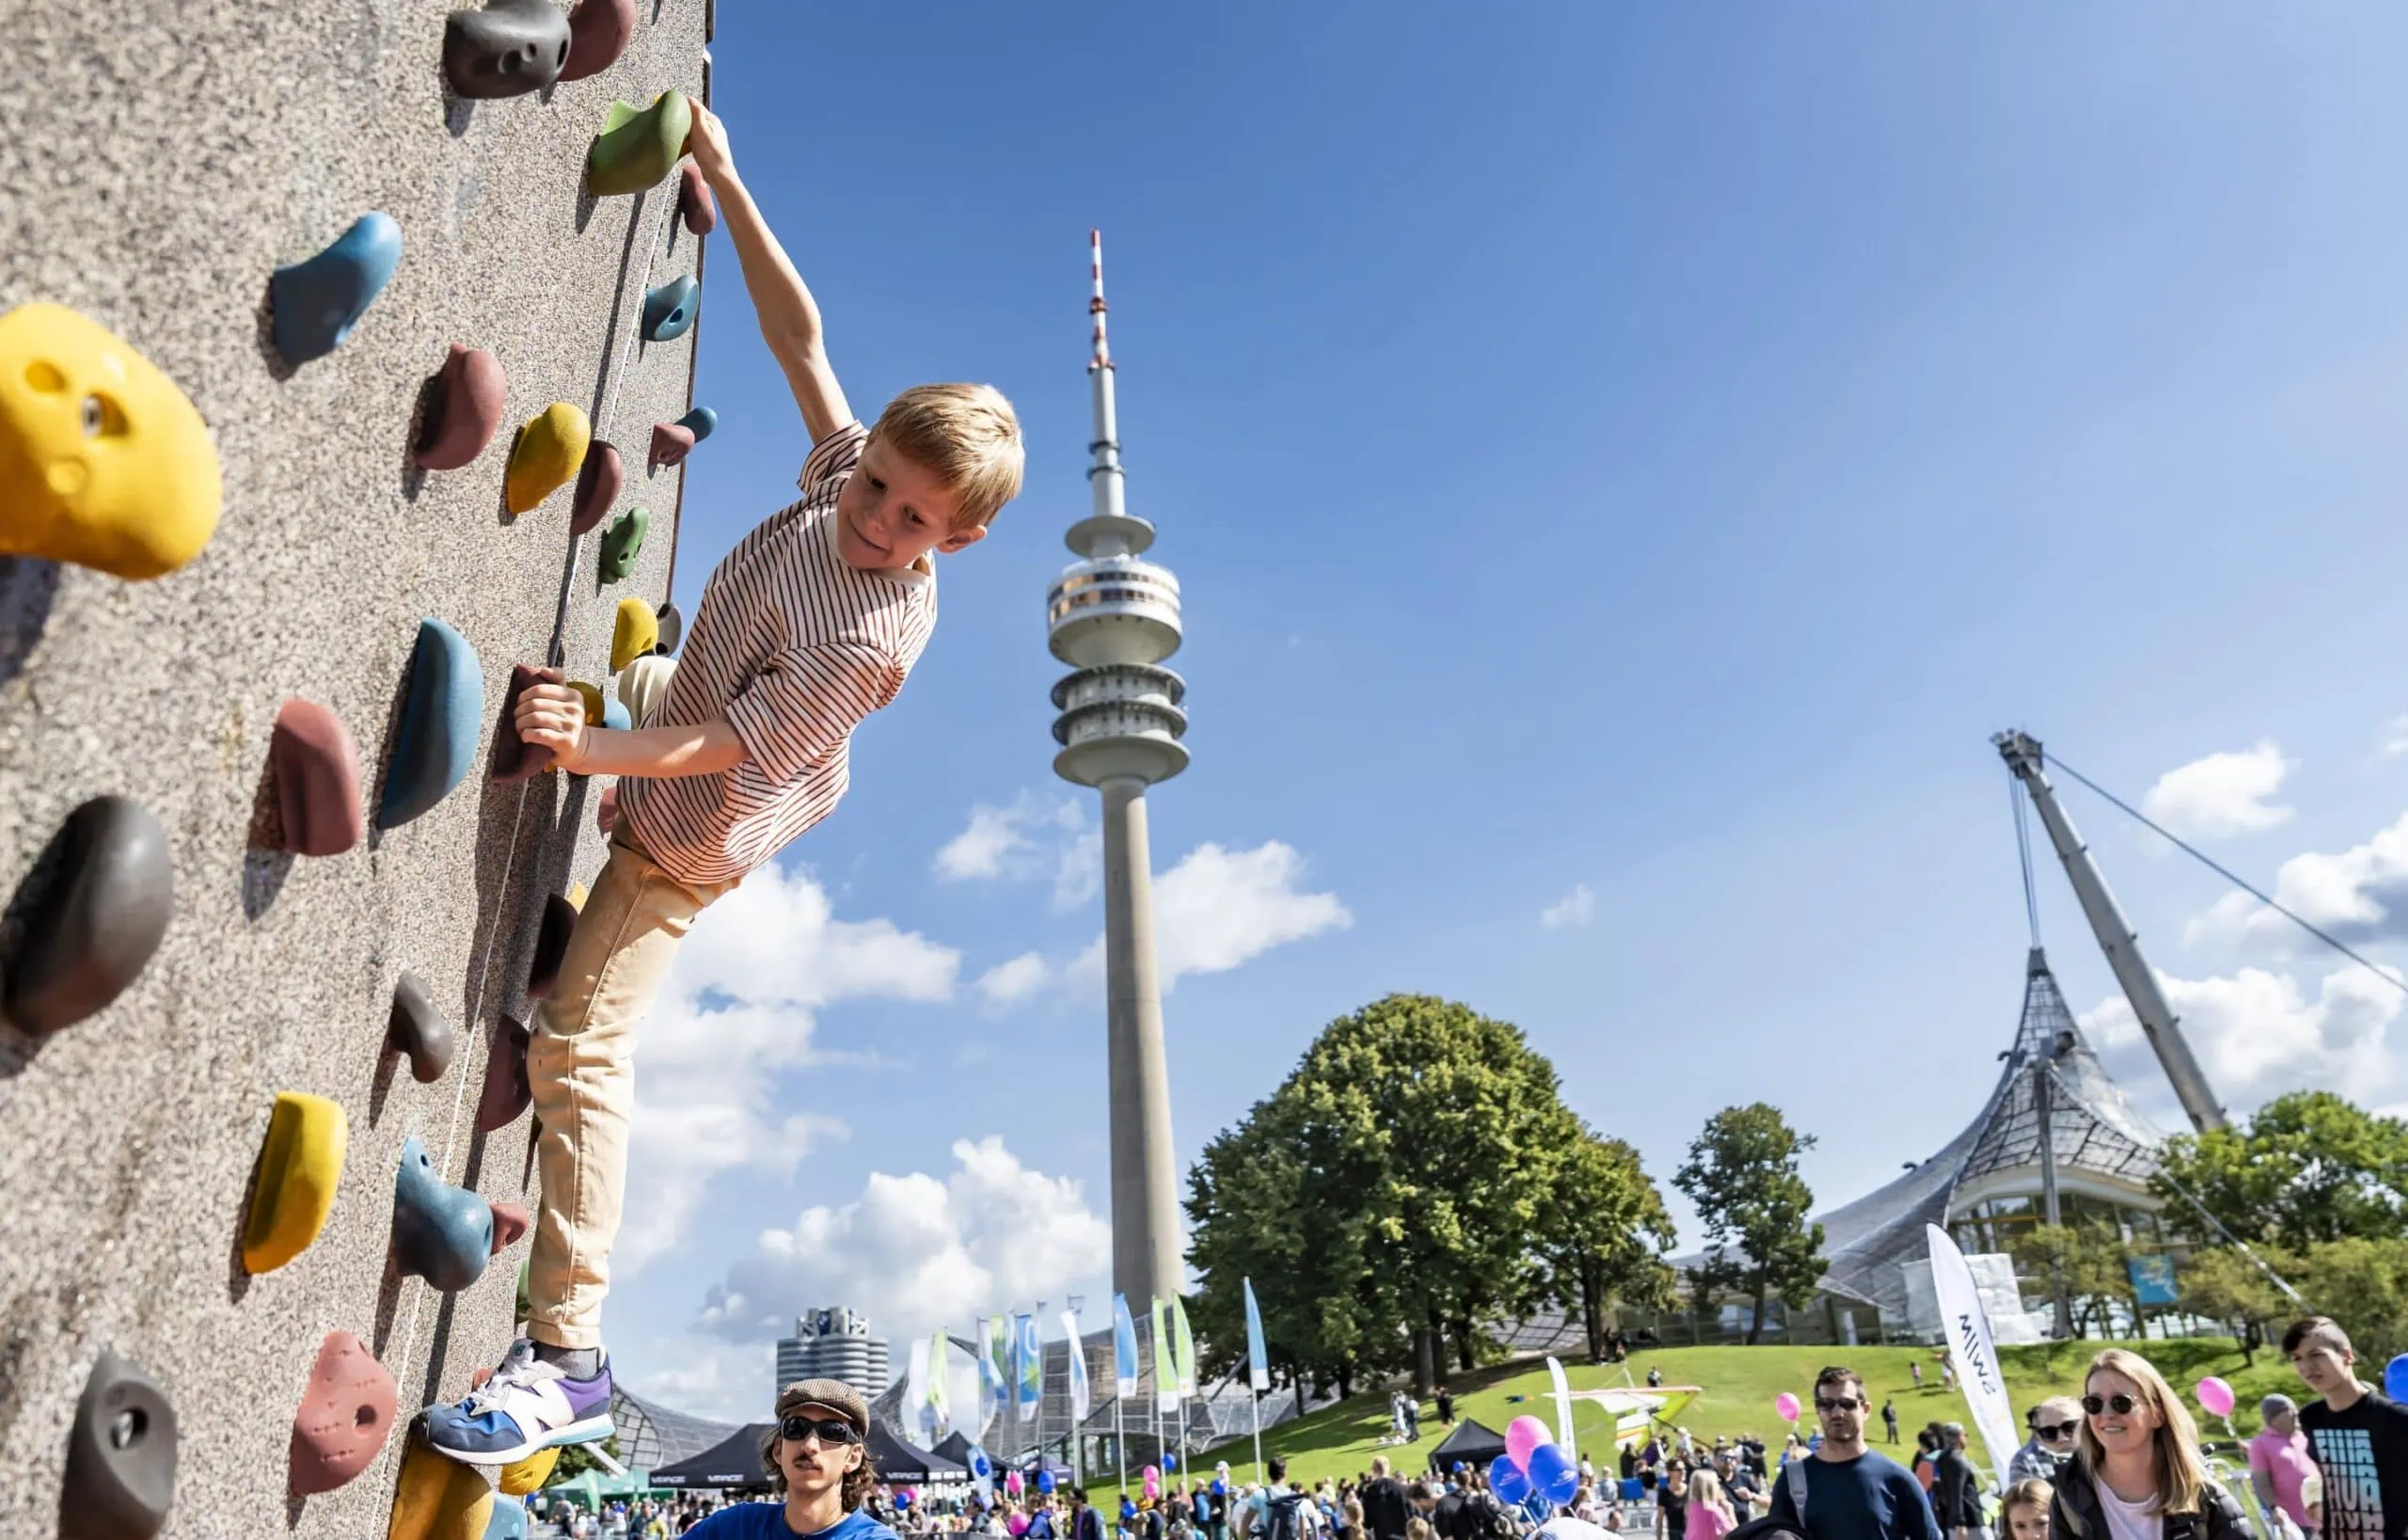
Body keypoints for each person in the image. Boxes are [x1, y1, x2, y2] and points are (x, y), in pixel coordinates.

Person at [420, 100, 1026, 1462]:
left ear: (961, 541)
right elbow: (800, 342)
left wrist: (588, 755)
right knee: (638, 689)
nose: (871, 518)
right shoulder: (850, 487)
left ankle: (567, 1353)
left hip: (686, 832)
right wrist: (734, 186)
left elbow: (727, 749)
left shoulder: (868, 634)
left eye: (909, 517)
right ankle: (604, 750)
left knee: (580, 1045)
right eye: (872, 485)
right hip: (675, 700)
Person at [2048, 1348, 2248, 1540]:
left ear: (2157, 1415)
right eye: (2094, 1403)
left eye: (2121, 1403)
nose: (2107, 1415)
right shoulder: (2070, 1495)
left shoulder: (2204, 1497)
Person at [673, 1379, 895, 1540]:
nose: (810, 1445)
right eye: (796, 1428)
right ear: (779, 1449)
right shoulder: (732, 1527)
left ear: (853, 1457)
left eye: (832, 1432)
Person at [1766, 1366, 1941, 1540]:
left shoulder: (1896, 1478)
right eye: (1827, 1404)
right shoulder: (1793, 1481)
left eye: (1847, 1404)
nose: (1837, 1413)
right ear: (1818, 1410)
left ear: (1865, 1409)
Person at [2286, 1315, 2408, 1540]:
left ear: (2347, 1355)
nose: (2306, 1366)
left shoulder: (2396, 1418)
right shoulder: (2311, 1418)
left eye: (2316, 1354)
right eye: (2297, 1358)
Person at [2246, 1395, 2321, 1537]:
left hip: (2320, 1515)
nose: (2296, 1413)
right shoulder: (2260, 1443)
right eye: (2291, 1410)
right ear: (2275, 1416)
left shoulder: (2305, 1436)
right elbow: (2261, 1481)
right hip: (2292, 1522)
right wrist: (2273, 1509)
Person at [2012, 1401, 2084, 1487]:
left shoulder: (2102, 1451)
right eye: (2049, 1432)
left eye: (2070, 1427)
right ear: (2037, 1435)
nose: (2062, 1438)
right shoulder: (2025, 1461)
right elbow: (2023, 1499)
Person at [1932, 1425, 1985, 1540]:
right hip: (1968, 1521)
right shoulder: (1956, 1460)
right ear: (1958, 1437)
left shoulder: (1943, 1459)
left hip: (1954, 1521)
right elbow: (1957, 1492)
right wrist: (1960, 1522)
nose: (1966, 1438)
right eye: (1965, 1435)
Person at [1252, 1459, 1307, 1540]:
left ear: (1269, 1474)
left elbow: (1245, 1523)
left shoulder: (1259, 1494)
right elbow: (1302, 1530)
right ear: (1285, 1473)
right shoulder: (1295, 1497)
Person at [1361, 1457, 1413, 1540]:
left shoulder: (1368, 1495)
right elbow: (1412, 1516)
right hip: (1404, 1536)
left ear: (1373, 1470)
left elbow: (1367, 1523)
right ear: (1388, 1468)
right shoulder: (1402, 1490)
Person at [1716, 1451, 1763, 1526]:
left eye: (1732, 1458)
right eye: (1723, 1458)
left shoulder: (1743, 1477)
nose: (1728, 1461)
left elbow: (1769, 1502)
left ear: (1736, 1461)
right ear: (1715, 1461)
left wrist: (1752, 1496)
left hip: (1744, 1529)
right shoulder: (1711, 1481)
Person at [1687, 1471, 1737, 1540]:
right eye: (1717, 1483)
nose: (1719, 1486)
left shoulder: (1691, 1507)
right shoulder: (1714, 1510)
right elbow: (1734, 1536)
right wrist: (1730, 1513)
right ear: (1711, 1487)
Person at [1656, 1463, 1690, 1540]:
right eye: (1679, 1470)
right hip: (1674, 1535)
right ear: (1669, 1472)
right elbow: (1660, 1520)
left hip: (1692, 1534)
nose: (1683, 1472)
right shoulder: (1664, 1493)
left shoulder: (1691, 1490)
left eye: (1684, 1469)